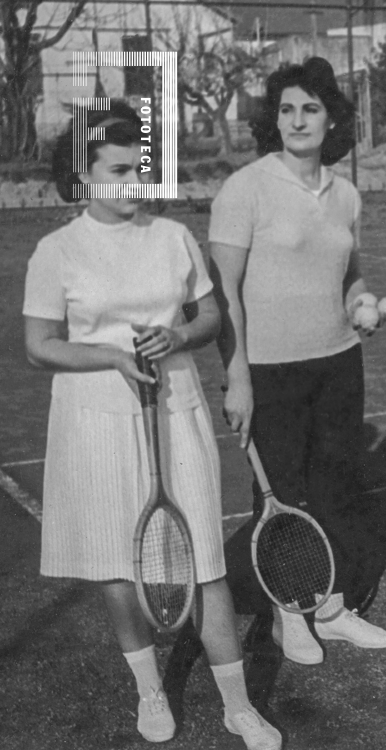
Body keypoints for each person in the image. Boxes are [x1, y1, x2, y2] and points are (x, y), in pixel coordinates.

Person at [22, 101, 281, 749]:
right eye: (116, 171)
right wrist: (110, 354)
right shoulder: (57, 251)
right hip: (95, 422)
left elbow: (209, 318)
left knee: (205, 561)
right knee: (117, 561)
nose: (132, 184)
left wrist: (179, 334)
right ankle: (148, 690)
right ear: (80, 177)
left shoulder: (172, 237)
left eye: (138, 170)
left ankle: (237, 706)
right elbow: (39, 345)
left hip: (175, 409)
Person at [210, 58, 386, 665]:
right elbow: (224, 293)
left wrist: (361, 302)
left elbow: (350, 271)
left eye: (310, 108)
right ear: (274, 118)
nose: (297, 120)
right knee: (281, 498)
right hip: (269, 370)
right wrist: (237, 377)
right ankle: (291, 617)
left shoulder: (345, 193)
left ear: (332, 117)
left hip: (339, 363)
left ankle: (334, 611)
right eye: (286, 109)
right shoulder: (246, 188)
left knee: (338, 486)